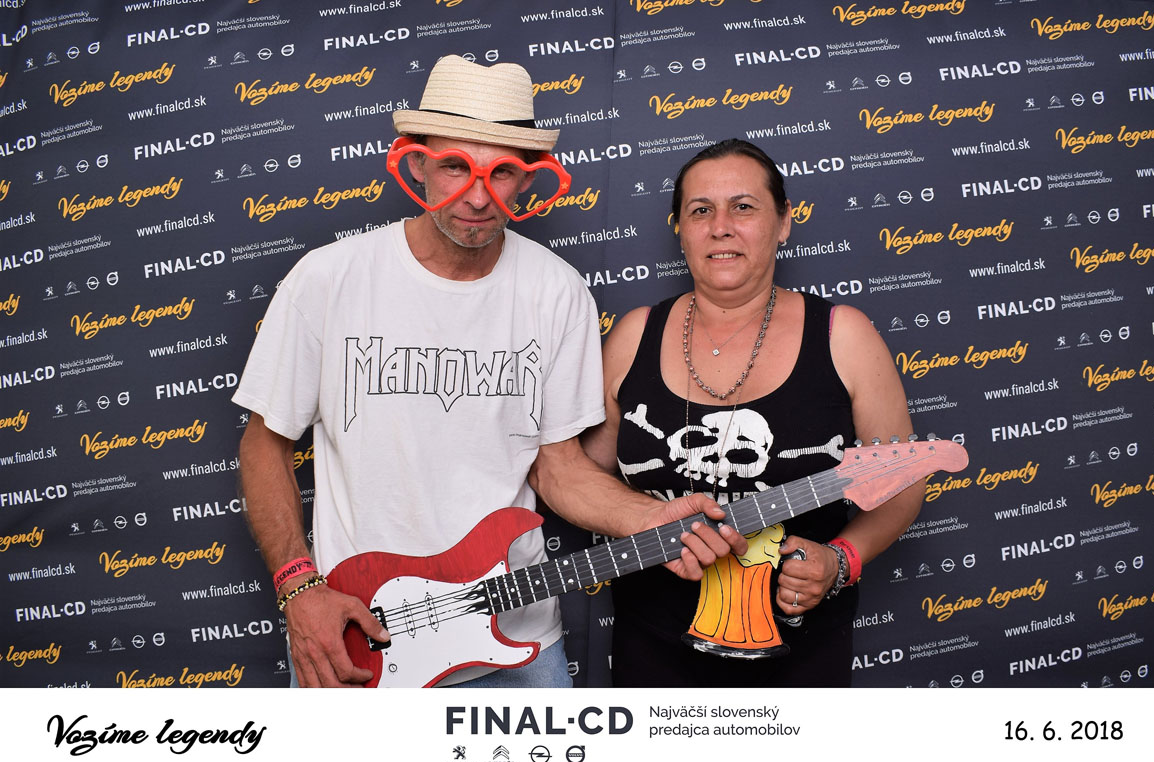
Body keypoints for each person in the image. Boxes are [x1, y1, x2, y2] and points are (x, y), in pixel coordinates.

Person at [232, 56, 741, 688]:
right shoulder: (328, 279)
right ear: (416, 165)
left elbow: (556, 467)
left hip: (516, 640)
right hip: (360, 632)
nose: (477, 197)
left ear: (528, 179)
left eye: (500, 172)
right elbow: (264, 444)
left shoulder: (557, 293)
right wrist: (298, 589)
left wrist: (649, 519)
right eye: (455, 166)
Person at [582, 139, 923, 686]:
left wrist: (842, 560)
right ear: (680, 229)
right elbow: (586, 478)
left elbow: (903, 483)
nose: (721, 227)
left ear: (783, 222)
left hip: (800, 653)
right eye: (701, 210)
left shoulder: (844, 336)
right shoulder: (633, 336)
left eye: (743, 207)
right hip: (650, 646)